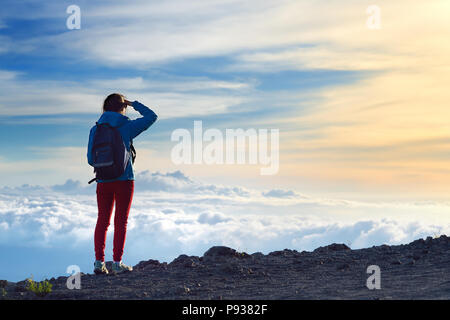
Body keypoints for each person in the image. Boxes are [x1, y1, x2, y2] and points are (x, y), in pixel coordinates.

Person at [87, 93, 157, 274]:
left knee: (102, 220)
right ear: (122, 107)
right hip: (124, 180)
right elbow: (151, 117)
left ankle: (98, 263)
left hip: (102, 180)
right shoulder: (126, 126)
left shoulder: (95, 130)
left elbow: (89, 159)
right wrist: (134, 103)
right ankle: (117, 264)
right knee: (121, 221)